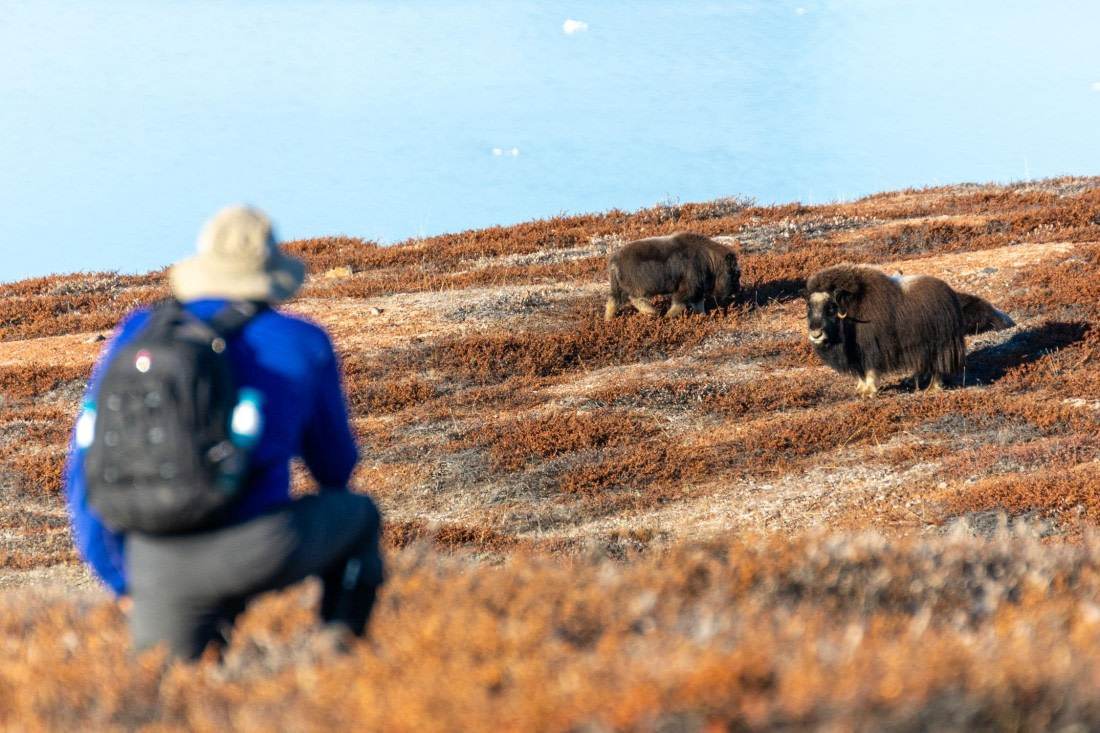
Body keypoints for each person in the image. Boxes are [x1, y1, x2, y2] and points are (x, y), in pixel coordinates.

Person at [64, 205, 383, 660]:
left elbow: (83, 469)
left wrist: (120, 576)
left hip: (156, 562)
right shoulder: (301, 340)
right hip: (260, 548)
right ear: (270, 272)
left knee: (170, 695)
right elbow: (336, 469)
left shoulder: (139, 332)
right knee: (359, 515)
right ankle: (338, 651)